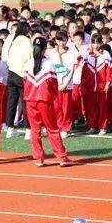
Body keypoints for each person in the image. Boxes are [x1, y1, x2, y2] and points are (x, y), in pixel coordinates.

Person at [23, 37, 73, 167]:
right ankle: (62, 157)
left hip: (30, 101)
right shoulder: (49, 64)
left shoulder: (28, 63)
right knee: (52, 129)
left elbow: (25, 82)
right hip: (44, 101)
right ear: (45, 49)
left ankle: (38, 159)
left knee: (35, 130)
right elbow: (53, 84)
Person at [1, 21, 33, 139]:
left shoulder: (10, 38)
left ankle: (10, 128)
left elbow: (4, 56)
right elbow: (30, 58)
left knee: (11, 101)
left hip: (11, 72)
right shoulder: (26, 40)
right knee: (25, 102)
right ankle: (28, 129)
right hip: (22, 74)